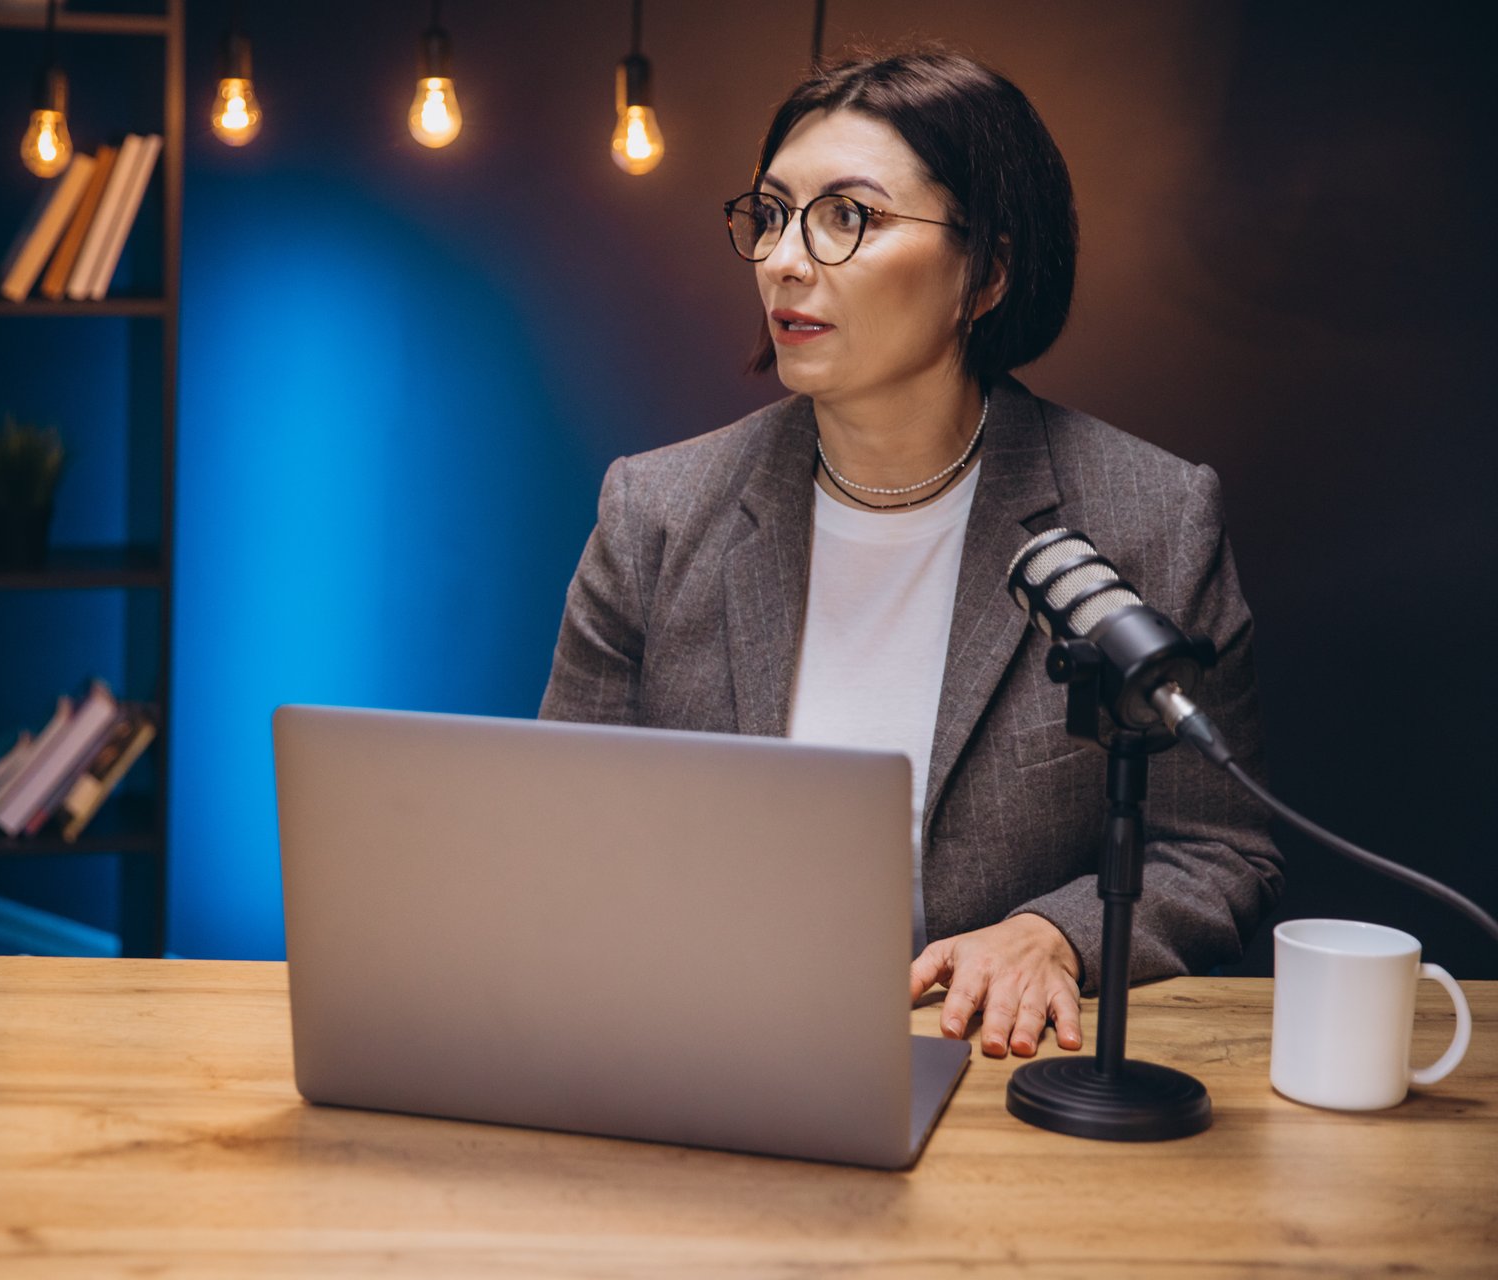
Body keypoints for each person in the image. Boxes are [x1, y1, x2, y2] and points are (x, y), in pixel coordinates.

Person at [538, 48, 1283, 1060]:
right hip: (700, 1050)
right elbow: (563, 828)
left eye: (850, 216)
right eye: (772, 212)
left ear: (990, 273)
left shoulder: (1150, 516)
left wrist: (1055, 931)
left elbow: (1220, 849)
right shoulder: (656, 511)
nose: (785, 259)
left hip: (986, 1075)